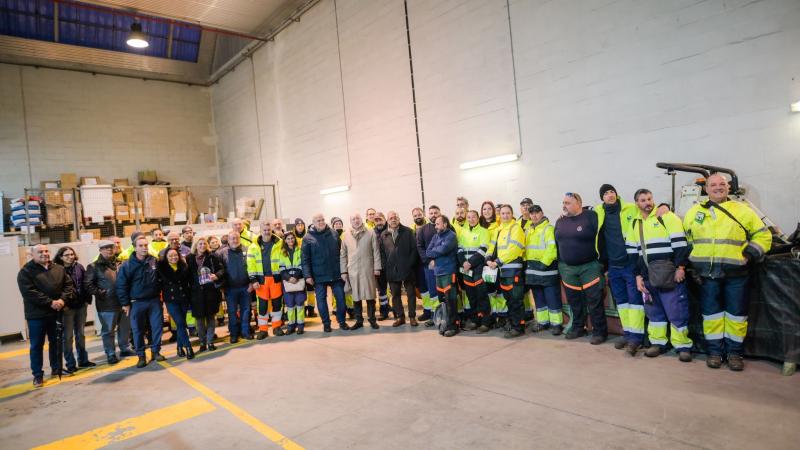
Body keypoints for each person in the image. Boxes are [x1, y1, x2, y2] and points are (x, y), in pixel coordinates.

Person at [683, 173, 772, 371]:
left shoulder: (743, 210)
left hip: (736, 275)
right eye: (713, 185)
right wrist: (692, 263)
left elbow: (764, 235)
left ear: (728, 187)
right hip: (707, 276)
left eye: (721, 184)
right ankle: (715, 353)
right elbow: (688, 240)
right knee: (711, 316)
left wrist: (749, 254)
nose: (717, 187)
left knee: (736, 316)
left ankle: (734, 354)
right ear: (706, 189)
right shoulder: (693, 212)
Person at [627, 189, 692, 361]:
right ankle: (657, 343)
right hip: (648, 276)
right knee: (654, 312)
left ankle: (682, 346)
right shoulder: (634, 223)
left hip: (670, 274)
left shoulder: (667, 217)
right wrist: (637, 276)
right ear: (637, 203)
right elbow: (632, 253)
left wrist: (681, 267)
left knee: (676, 310)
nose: (647, 202)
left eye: (649, 198)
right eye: (643, 200)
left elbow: (681, 244)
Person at [17, 245, 76, 387]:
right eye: (40, 252)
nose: (44, 254)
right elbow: (29, 292)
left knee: (56, 342)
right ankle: (38, 375)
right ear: (32, 255)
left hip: (56, 313)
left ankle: (56, 368)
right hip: (36, 315)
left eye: (46, 251)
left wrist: (62, 300)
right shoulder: (26, 271)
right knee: (37, 345)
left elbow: (68, 286)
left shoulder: (59, 268)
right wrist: (50, 302)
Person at [594, 184, 643, 352]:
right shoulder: (598, 212)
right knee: (622, 303)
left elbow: (648, 209)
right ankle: (628, 334)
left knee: (635, 303)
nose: (610, 195)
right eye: (606, 193)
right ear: (602, 198)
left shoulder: (630, 208)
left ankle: (636, 338)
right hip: (613, 266)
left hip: (630, 264)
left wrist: (664, 207)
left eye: (612, 191)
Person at [555, 193, 606, 344]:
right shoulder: (560, 221)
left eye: (568, 203)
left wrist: (603, 264)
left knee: (594, 301)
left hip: (589, 267)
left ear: (579, 203)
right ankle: (578, 328)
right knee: (574, 302)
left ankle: (599, 332)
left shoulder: (591, 216)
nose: (564, 205)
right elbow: (557, 244)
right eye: (563, 202)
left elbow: (602, 237)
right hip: (568, 269)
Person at [116, 234, 166, 368]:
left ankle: (156, 352)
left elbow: (161, 279)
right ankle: (141, 356)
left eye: (145, 245)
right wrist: (125, 303)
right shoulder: (127, 265)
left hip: (154, 301)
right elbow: (121, 285)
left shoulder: (154, 261)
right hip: (136, 303)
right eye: (141, 246)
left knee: (157, 328)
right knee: (137, 330)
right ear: (134, 248)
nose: (144, 248)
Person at [302, 213, 349, 332]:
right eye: (318, 220)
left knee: (341, 298)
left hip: (335, 273)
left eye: (322, 219)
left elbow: (342, 252)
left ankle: (342, 321)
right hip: (319, 275)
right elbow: (305, 259)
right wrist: (307, 275)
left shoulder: (333, 233)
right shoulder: (307, 238)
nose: (321, 222)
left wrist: (344, 270)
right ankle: (326, 323)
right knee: (321, 300)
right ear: (313, 223)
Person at [486, 205, 527, 338]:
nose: (505, 215)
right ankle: (513, 323)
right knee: (508, 299)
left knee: (516, 300)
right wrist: (488, 258)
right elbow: (492, 246)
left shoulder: (516, 228)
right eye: (503, 213)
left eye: (508, 213)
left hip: (513, 269)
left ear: (512, 214)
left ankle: (518, 327)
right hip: (502, 270)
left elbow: (514, 249)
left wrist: (497, 262)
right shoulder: (499, 229)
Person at [53, 246, 95, 372]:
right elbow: (55, 289)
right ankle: (70, 363)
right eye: (67, 255)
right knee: (67, 337)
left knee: (80, 334)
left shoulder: (79, 267)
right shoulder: (57, 270)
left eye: (72, 254)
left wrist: (87, 300)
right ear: (60, 257)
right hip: (67, 308)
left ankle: (83, 360)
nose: (70, 257)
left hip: (81, 306)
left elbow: (85, 284)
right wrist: (63, 305)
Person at [524, 205, 562, 335]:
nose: (534, 215)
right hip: (533, 270)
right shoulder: (528, 230)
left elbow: (552, 249)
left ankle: (556, 324)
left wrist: (543, 264)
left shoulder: (548, 228)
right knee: (538, 299)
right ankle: (543, 322)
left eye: (536, 213)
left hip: (547, 269)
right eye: (531, 213)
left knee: (552, 298)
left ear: (542, 213)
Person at [341, 213, 382, 330]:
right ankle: (359, 321)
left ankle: (372, 320)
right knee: (356, 296)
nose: (356, 220)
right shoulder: (346, 235)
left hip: (368, 269)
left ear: (361, 219)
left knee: (370, 296)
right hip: (353, 271)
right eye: (353, 219)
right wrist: (343, 271)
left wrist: (377, 268)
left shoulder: (370, 232)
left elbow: (376, 251)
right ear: (350, 221)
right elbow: (343, 255)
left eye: (357, 218)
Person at [85, 241, 123, 364]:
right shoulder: (93, 266)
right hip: (107, 304)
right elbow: (88, 284)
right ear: (100, 250)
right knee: (108, 331)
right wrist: (102, 293)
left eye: (111, 247)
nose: (109, 250)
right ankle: (110, 354)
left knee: (124, 328)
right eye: (105, 248)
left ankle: (125, 348)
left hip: (123, 302)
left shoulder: (119, 263)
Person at [379, 211, 419, 327]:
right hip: (392, 270)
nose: (393, 219)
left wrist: (410, 264)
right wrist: (385, 266)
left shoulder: (408, 231)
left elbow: (414, 249)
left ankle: (412, 317)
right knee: (395, 295)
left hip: (407, 269)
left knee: (411, 294)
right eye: (391, 218)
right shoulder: (384, 235)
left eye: (395, 217)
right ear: (387, 220)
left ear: (399, 218)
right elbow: (382, 253)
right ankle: (400, 317)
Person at [247, 219, 284, 339]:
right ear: (260, 230)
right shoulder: (253, 246)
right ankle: (263, 329)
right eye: (264, 230)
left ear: (271, 230)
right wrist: (253, 280)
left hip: (276, 278)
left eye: (269, 230)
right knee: (262, 306)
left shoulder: (279, 243)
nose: (267, 232)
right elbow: (250, 264)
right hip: (261, 281)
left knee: (277, 304)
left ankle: (276, 326)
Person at [216, 231, 255, 342]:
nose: (235, 240)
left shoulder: (247, 250)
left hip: (246, 287)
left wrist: (251, 282)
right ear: (228, 240)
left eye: (237, 238)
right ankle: (234, 335)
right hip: (230, 289)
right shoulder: (221, 253)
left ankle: (245, 332)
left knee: (246, 311)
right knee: (232, 312)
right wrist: (221, 286)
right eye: (232, 238)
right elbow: (219, 270)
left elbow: (252, 267)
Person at [188, 237, 225, 352]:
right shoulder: (189, 258)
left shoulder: (212, 256)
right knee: (199, 320)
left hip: (210, 292)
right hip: (196, 293)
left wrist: (217, 275)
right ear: (196, 245)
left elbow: (221, 269)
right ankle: (202, 342)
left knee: (210, 318)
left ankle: (210, 342)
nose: (202, 246)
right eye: (200, 244)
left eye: (204, 244)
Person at [457, 210, 491, 332]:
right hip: (466, 268)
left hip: (478, 267)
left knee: (481, 295)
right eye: (469, 217)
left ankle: (486, 322)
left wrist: (470, 263)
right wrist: (463, 263)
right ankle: (475, 320)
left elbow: (483, 250)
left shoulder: (484, 231)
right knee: (471, 296)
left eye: (473, 217)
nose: (471, 219)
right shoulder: (463, 232)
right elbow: (459, 249)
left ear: (478, 218)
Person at [426, 215, 459, 337]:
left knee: (451, 300)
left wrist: (436, 251)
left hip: (448, 272)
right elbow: (428, 251)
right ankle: (445, 324)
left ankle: (453, 326)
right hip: (438, 273)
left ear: (445, 224)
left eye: (438, 224)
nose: (435, 226)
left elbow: (443, 249)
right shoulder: (436, 236)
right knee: (442, 301)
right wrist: (437, 251)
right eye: (435, 224)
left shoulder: (451, 236)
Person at [158, 248, 194, 359]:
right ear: (166, 257)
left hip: (183, 298)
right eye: (170, 256)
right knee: (180, 323)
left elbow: (189, 282)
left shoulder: (184, 266)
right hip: (171, 300)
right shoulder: (161, 268)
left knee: (180, 324)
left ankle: (179, 347)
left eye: (175, 255)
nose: (173, 257)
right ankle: (188, 347)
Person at [416, 205, 441, 325]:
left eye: (436, 212)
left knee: (445, 291)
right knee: (433, 291)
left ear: (440, 213)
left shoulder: (446, 226)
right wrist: (428, 261)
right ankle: (434, 315)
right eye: (431, 213)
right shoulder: (423, 229)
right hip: (429, 266)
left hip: (444, 265)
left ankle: (447, 314)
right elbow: (420, 246)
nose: (433, 215)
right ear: (428, 215)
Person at [279, 231, 307, 334]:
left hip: (298, 280)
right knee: (290, 305)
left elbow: (302, 265)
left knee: (300, 303)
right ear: (285, 241)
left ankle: (300, 325)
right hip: (287, 282)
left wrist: (295, 277)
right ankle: (291, 325)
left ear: (295, 239)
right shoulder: (282, 253)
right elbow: (281, 268)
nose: (290, 240)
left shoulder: (300, 250)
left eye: (292, 238)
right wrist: (289, 278)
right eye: (288, 239)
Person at [480, 200, 503, 325]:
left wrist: (494, 261)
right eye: (484, 209)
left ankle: (502, 316)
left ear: (494, 211)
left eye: (489, 208)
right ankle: (492, 315)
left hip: (494, 262)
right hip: (482, 262)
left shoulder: (499, 224)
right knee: (488, 291)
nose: (487, 211)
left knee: (499, 290)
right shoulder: (479, 225)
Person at [410, 207, 430, 321]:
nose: (417, 217)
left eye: (419, 214)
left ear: (423, 214)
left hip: (429, 263)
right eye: (415, 215)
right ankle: (427, 310)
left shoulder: (430, 227)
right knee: (423, 289)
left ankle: (435, 310)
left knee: (432, 288)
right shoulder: (411, 231)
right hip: (418, 265)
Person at [372, 212, 391, 320]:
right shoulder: (372, 233)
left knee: (394, 290)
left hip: (391, 266)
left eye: (380, 219)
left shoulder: (391, 230)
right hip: (379, 267)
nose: (379, 222)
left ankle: (397, 311)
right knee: (382, 291)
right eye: (376, 220)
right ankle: (384, 311)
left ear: (385, 219)